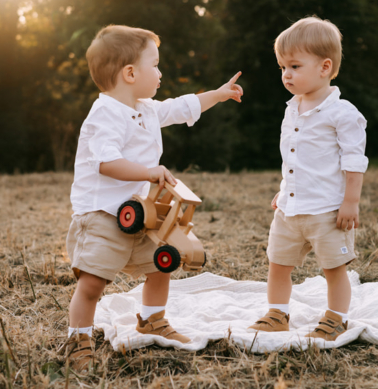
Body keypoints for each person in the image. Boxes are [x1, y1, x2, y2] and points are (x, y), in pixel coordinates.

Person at [61, 24, 243, 369]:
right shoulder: (105, 114)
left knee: (164, 261)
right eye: (155, 65)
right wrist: (148, 172)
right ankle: (78, 339)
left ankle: (152, 319)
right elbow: (105, 162)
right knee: (92, 283)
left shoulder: (145, 109)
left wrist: (216, 95)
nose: (160, 73)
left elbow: (179, 107)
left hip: (138, 215)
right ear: (130, 73)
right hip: (100, 216)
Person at [248, 17, 368, 343]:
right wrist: (285, 189)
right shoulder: (292, 108)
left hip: (327, 210)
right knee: (278, 262)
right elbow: (295, 157)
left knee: (334, 267)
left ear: (325, 67)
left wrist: (351, 202)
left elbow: (354, 162)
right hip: (290, 208)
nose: (286, 74)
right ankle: (276, 313)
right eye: (282, 67)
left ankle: (336, 318)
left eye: (294, 66)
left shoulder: (342, 113)